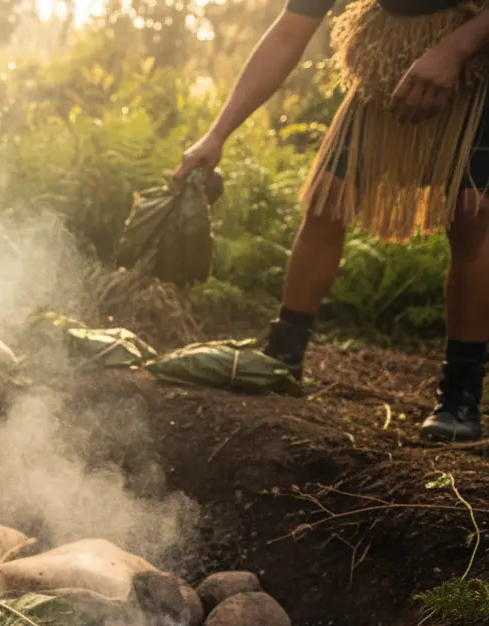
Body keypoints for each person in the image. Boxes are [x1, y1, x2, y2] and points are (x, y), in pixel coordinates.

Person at [175, 0, 489, 442]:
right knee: (328, 199)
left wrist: (455, 48)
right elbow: (289, 33)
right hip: (388, 59)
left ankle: (461, 393)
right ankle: (283, 357)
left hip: (478, 60)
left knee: (472, 215)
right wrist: (217, 133)